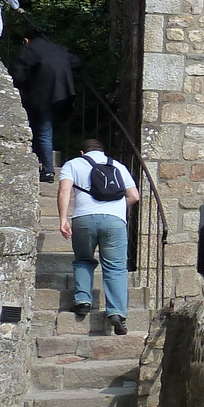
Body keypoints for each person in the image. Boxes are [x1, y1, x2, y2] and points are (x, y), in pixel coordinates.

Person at [58, 138, 139, 336]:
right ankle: (117, 313)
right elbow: (134, 196)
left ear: (82, 153)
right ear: (103, 152)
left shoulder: (73, 164)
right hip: (115, 221)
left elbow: (64, 190)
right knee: (116, 267)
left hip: (83, 219)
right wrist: (116, 209)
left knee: (84, 259)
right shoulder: (118, 166)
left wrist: (63, 219)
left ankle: (83, 301)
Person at [13, 27, 79, 182]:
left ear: (26, 40)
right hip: (64, 93)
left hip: (42, 95)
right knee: (45, 129)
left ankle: (48, 171)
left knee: (43, 130)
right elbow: (77, 62)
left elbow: (18, 75)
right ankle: (44, 164)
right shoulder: (58, 48)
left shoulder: (29, 50)